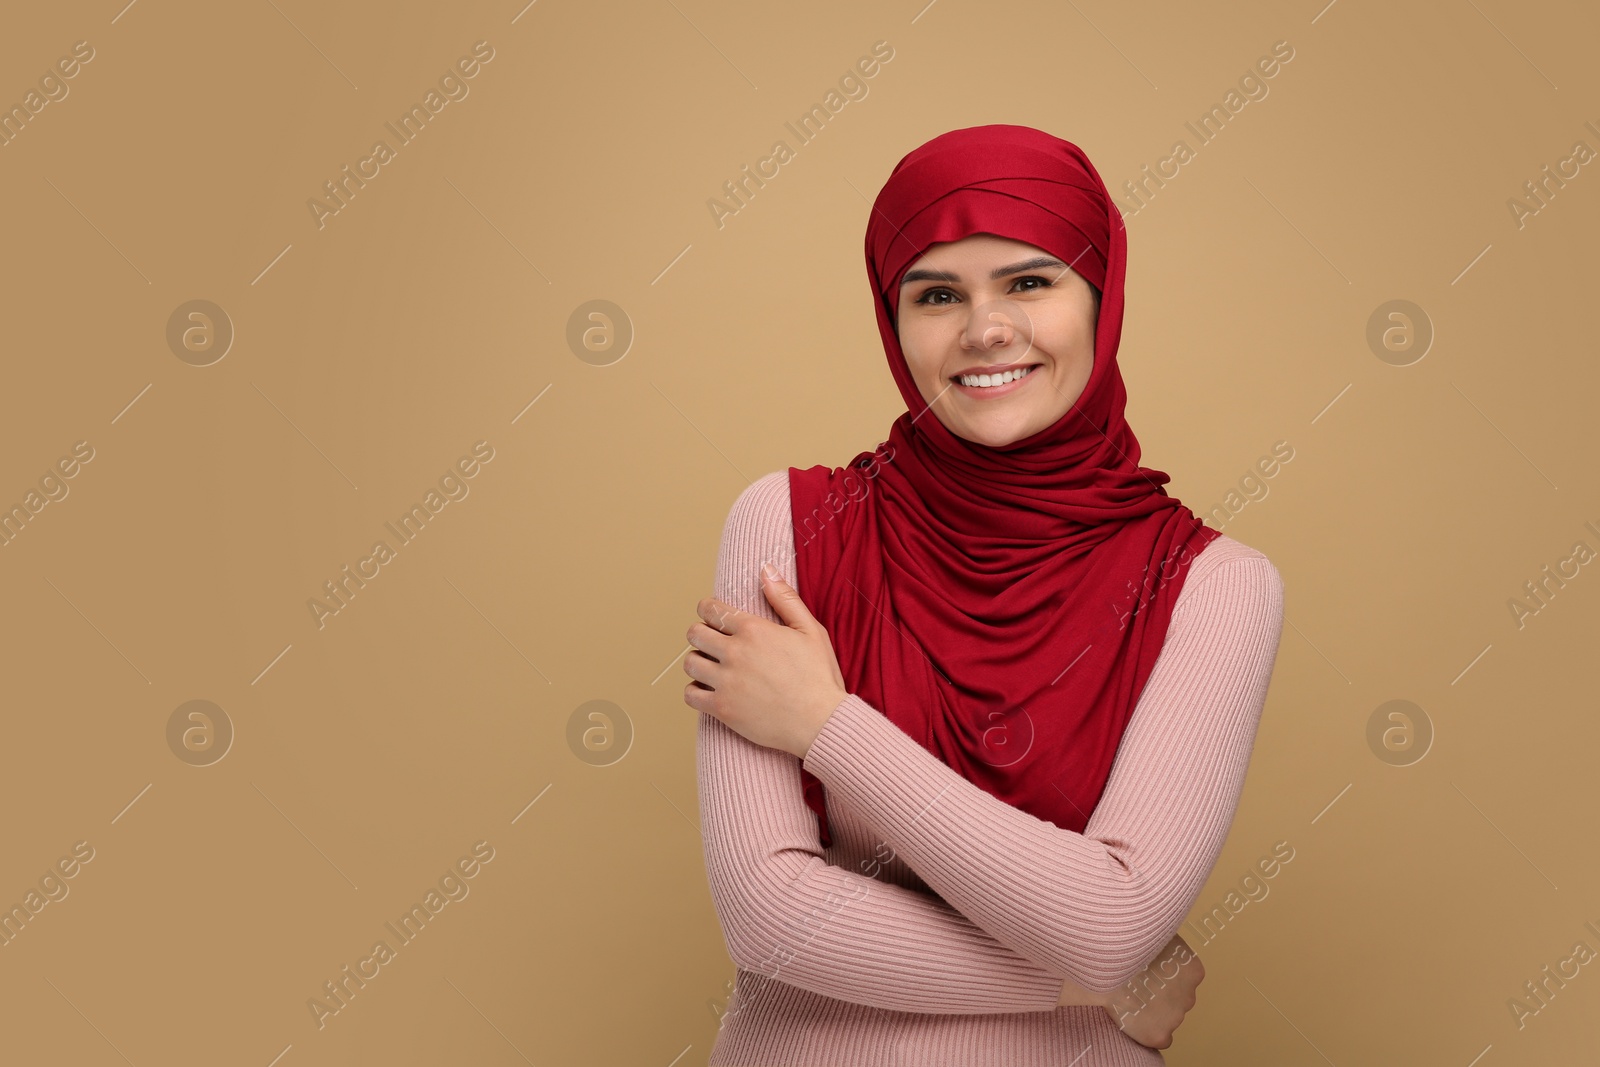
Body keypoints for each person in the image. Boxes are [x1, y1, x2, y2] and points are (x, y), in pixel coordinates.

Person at [684, 123, 1285, 1065]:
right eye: (936, 295)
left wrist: (824, 722)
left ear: (1102, 298)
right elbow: (770, 919)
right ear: (894, 323)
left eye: (1030, 282)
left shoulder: (1215, 587)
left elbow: (1115, 920)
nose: (984, 330)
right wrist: (1088, 978)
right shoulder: (788, 528)